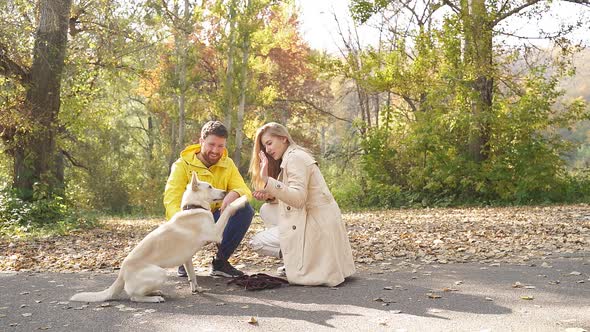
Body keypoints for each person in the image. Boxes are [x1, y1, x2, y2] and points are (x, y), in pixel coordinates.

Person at [248, 122, 355, 286]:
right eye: (265, 146)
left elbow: (298, 199)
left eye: (269, 143)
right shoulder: (295, 155)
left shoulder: (294, 159)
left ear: (283, 138)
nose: (267, 150)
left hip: (315, 225)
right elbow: (305, 195)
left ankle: (297, 259)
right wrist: (272, 194)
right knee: (266, 209)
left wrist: (267, 180)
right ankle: (295, 257)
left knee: (256, 242)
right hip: (319, 218)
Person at [164, 120, 254, 278]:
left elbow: (246, 191)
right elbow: (171, 200)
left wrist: (236, 193)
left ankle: (220, 262)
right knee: (180, 221)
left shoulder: (228, 164)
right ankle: (184, 259)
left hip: (215, 218)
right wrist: (183, 224)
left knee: (244, 209)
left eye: (220, 146)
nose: (215, 150)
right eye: (211, 144)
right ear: (201, 142)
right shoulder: (182, 165)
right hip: (189, 222)